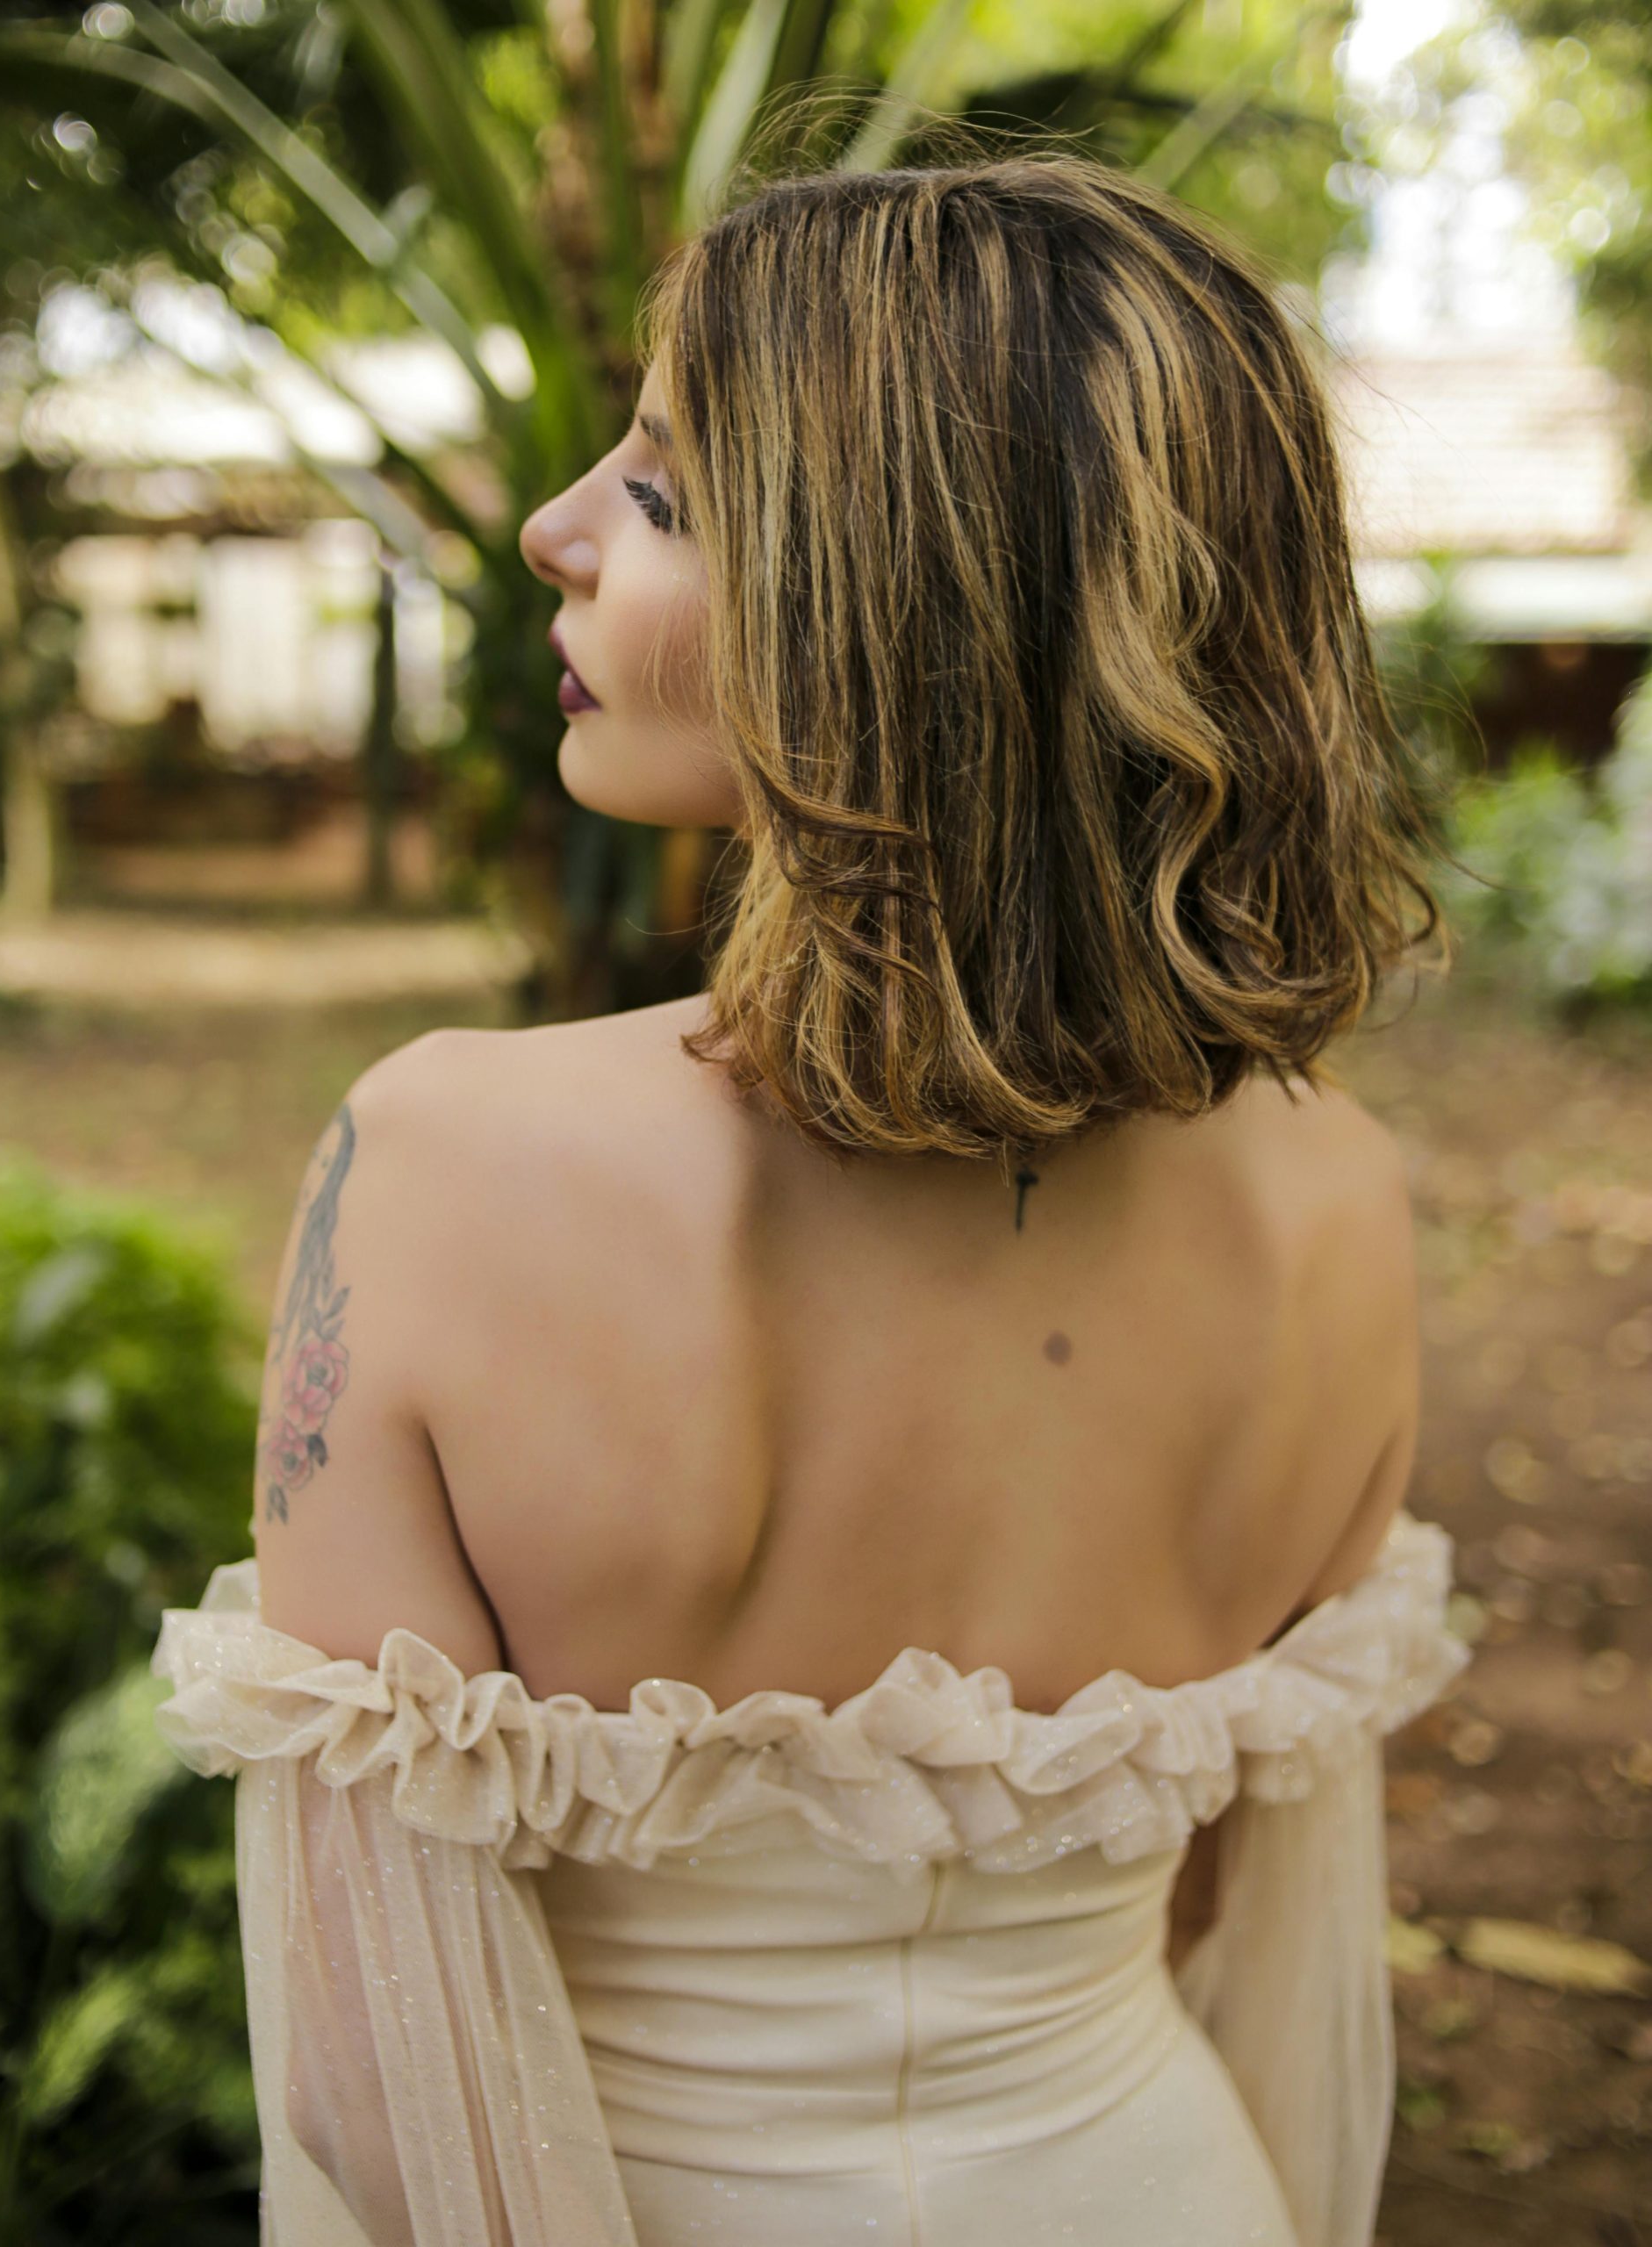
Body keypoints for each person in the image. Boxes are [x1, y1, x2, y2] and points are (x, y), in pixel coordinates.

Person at [151, 147, 1474, 2247]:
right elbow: (1227, 1887)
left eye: (664, 496)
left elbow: (371, 2056)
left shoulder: (438, 1161)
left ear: (899, 607)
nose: (552, 528)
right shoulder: (1342, 1200)